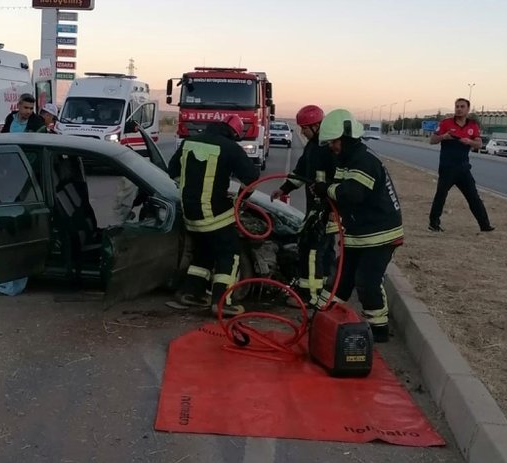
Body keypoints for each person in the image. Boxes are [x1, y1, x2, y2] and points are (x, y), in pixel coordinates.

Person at [312, 109, 404, 342]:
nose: (331, 147)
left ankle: (379, 330)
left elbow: (352, 193)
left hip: (380, 233)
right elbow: (342, 186)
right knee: (342, 277)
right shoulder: (349, 159)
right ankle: (321, 316)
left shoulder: (364, 161)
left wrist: (327, 190)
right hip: (358, 232)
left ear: (345, 138)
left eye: (333, 142)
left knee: (367, 281)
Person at [168, 115, 259, 317]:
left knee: (203, 254)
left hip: (191, 215)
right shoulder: (230, 148)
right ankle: (222, 302)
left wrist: (192, 189)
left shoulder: (188, 142)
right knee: (230, 253)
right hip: (216, 215)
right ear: (233, 133)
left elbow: (172, 170)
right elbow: (252, 177)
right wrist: (239, 199)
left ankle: (191, 294)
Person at [270, 105, 336, 307]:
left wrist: (332, 208)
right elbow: (300, 173)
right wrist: (284, 189)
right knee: (324, 249)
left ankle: (311, 296)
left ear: (316, 125)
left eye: (305, 128)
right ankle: (325, 289)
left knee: (313, 249)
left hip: (327, 209)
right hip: (316, 207)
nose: (302, 132)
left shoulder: (330, 148)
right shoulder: (312, 147)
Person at [428, 98, 494, 232]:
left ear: (467, 109)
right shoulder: (446, 123)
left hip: (463, 169)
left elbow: (479, 144)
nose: (459, 109)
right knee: (440, 196)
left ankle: (485, 226)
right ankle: (433, 224)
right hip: (447, 168)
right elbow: (432, 140)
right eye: (457, 106)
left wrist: (468, 141)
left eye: (462, 106)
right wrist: (443, 137)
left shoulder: (472, 125)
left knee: (473, 197)